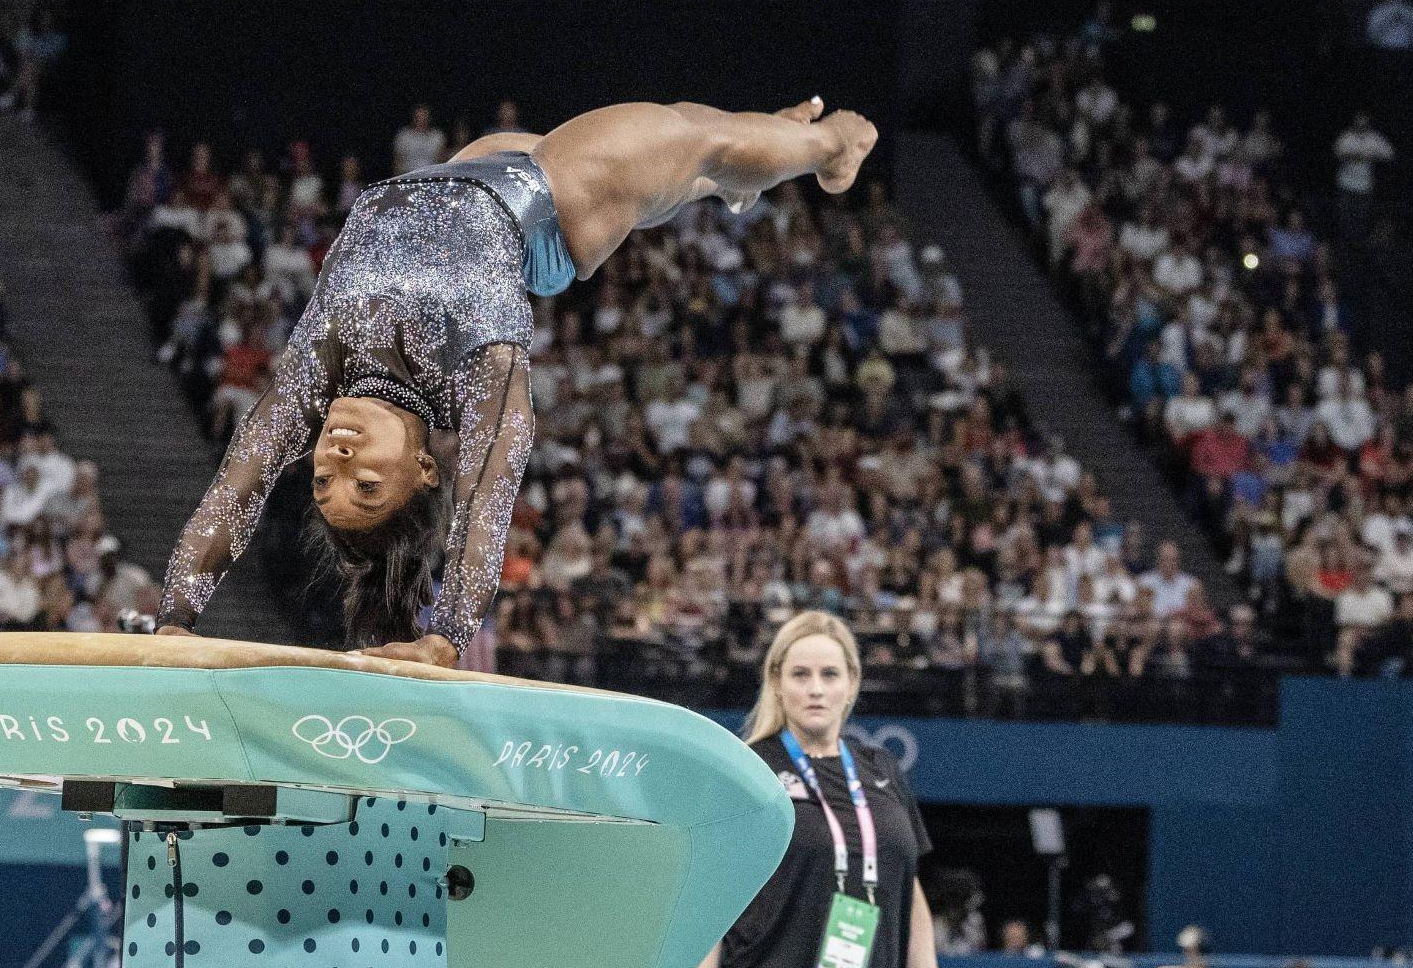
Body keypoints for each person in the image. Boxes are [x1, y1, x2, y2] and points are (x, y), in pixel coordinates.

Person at [156, 98, 878, 665]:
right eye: (366, 488)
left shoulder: (318, 372)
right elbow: (489, 495)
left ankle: (759, 158)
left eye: (321, 484)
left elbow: (239, 484)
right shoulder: (476, 367)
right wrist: (449, 632)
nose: (335, 466)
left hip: (464, 177)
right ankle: (830, 149)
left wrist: (174, 619)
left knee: (693, 147)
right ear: (425, 467)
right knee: (696, 136)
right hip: (555, 204)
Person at [683, 612, 949, 968]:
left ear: (852, 683)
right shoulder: (750, 769)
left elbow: (909, 895)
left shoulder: (880, 769)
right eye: (801, 674)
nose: (816, 688)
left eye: (830, 674)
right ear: (777, 681)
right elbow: (706, 894)